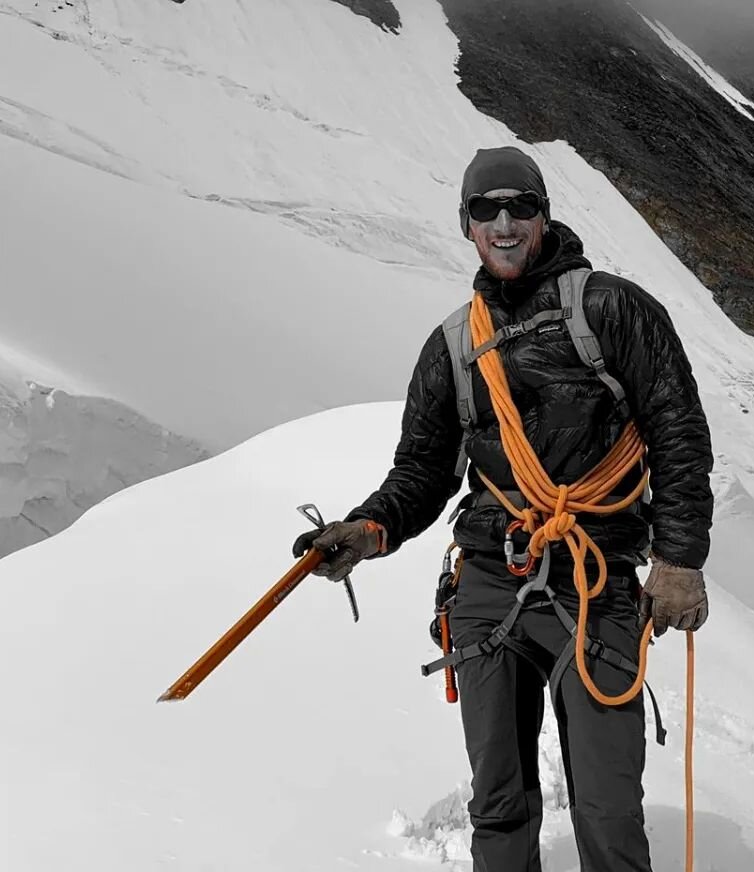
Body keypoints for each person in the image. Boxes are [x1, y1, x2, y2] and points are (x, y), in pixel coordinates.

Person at [293, 146, 714, 872]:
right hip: (490, 579)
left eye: (520, 206)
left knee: (608, 809)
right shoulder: (454, 348)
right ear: (467, 226)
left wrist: (678, 560)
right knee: (498, 804)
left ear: (544, 215)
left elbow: (678, 430)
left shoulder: (612, 311)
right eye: (486, 210)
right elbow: (423, 471)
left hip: (594, 579)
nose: (505, 222)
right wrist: (367, 529)